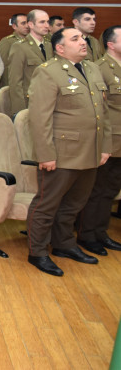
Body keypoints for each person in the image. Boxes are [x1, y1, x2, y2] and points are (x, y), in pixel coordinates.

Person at [26, 27, 111, 276]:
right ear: (60, 48)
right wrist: (46, 155)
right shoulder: (48, 72)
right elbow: (39, 118)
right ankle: (37, 252)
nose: (83, 41)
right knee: (46, 205)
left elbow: (103, 113)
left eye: (82, 38)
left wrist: (105, 147)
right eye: (75, 39)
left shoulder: (92, 68)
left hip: (90, 151)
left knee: (74, 204)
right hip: (62, 153)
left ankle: (64, 244)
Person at [75, 25, 121, 256]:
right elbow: (99, 107)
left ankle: (100, 232)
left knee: (111, 189)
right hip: (109, 137)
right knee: (98, 188)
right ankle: (87, 234)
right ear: (111, 44)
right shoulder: (100, 68)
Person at [8, 9, 53, 116]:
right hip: (30, 102)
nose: (47, 25)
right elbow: (15, 82)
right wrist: (20, 111)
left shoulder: (49, 46)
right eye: (42, 22)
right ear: (31, 25)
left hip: (49, 101)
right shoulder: (20, 47)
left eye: (48, 22)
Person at [0, 13, 30, 87]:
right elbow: (5, 66)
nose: (27, 26)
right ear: (14, 26)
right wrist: (8, 86)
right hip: (14, 83)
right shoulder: (7, 41)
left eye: (28, 23)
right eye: (23, 23)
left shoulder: (31, 41)